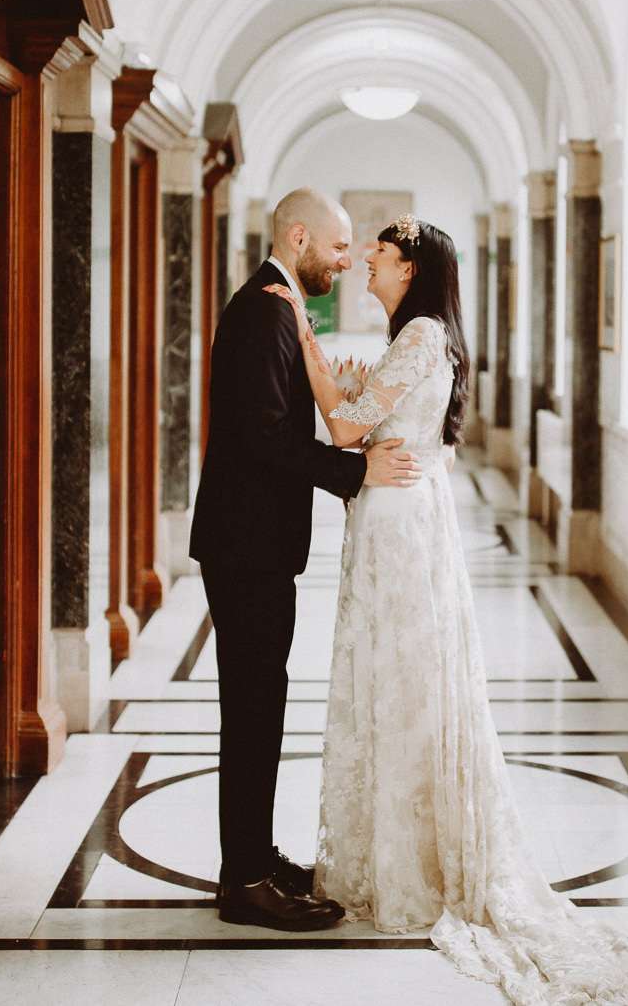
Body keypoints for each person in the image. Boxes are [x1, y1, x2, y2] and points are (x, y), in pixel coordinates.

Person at [266, 213, 628, 1005]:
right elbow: (369, 420)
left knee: (403, 683)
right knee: (396, 682)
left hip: (400, 525)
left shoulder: (419, 337)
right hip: (394, 515)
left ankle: (409, 864)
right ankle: (391, 852)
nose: (366, 262)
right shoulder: (418, 336)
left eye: (378, 253)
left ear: (409, 267)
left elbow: (344, 426)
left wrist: (306, 342)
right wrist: (347, 385)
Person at [189, 187, 422, 933]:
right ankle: (246, 882)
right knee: (253, 709)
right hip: (245, 546)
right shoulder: (265, 310)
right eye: (338, 245)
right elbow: (262, 436)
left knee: (261, 704)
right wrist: (356, 472)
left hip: (255, 544)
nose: (346, 260)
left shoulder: (279, 305)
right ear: (299, 237)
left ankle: (253, 857)